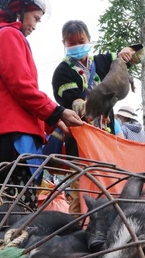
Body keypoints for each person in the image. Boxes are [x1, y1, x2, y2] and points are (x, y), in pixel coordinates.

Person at [0, 0, 83, 209]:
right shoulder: (9, 35)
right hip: (11, 138)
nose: (35, 24)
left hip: (10, 133)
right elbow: (21, 87)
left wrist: (54, 120)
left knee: (12, 211)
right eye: (35, 17)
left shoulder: (6, 35)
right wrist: (58, 111)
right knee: (16, 213)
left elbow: (20, 92)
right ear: (18, 10)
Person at [52, 20, 136, 156]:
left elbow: (138, 55)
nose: (77, 46)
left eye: (81, 41)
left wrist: (130, 50)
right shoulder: (62, 72)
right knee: (84, 174)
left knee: (109, 174)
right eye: (72, 43)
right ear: (64, 43)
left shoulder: (102, 61)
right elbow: (74, 104)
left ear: (89, 39)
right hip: (81, 139)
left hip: (107, 136)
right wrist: (95, 109)